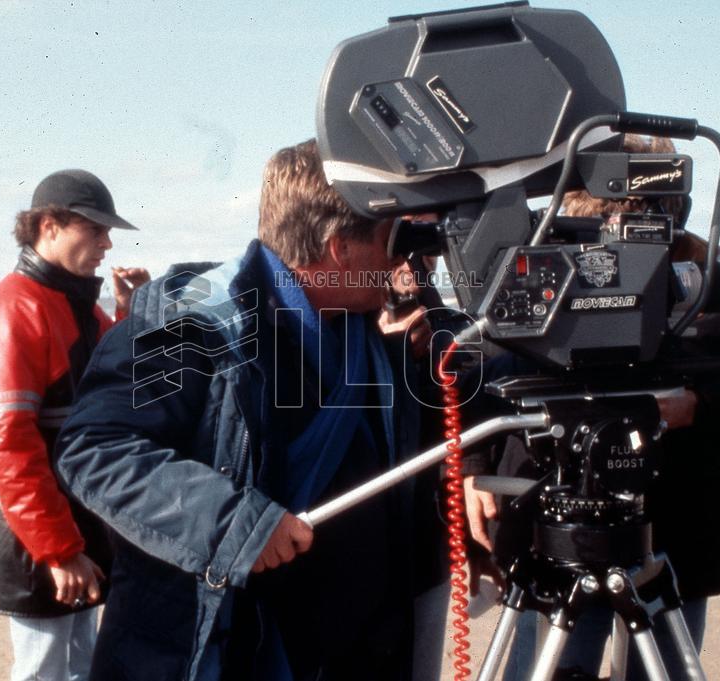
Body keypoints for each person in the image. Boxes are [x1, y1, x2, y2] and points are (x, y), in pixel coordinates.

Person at [54, 139, 447, 680]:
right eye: (392, 240)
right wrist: (233, 523)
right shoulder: (188, 318)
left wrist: (441, 350)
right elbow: (96, 449)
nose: (402, 261)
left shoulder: (368, 336)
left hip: (354, 649)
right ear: (339, 248)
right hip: (230, 648)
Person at [463, 135, 720, 680]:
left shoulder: (709, 288)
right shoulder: (536, 283)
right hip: (552, 528)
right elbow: (476, 376)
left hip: (680, 538)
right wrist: (472, 471)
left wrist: (700, 408)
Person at [0, 169, 148, 681]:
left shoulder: (74, 306)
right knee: (43, 668)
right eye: (96, 229)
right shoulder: (9, 311)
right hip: (35, 532)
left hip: (75, 522)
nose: (108, 243)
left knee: (83, 662)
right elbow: (8, 445)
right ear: (49, 225)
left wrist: (131, 313)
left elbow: (122, 382)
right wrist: (58, 551)